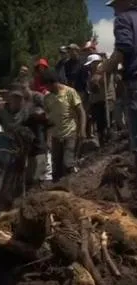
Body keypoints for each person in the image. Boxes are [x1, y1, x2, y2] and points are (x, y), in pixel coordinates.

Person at [92, 0, 137, 165]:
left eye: (115, 6)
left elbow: (124, 48)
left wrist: (101, 70)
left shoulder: (124, 19)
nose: (114, 11)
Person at [41, 70, 87, 182]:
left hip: (70, 133)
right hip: (56, 136)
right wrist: (48, 139)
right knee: (56, 168)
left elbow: (81, 112)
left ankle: (73, 186)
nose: (46, 89)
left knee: (68, 163)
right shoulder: (47, 98)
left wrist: (82, 130)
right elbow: (48, 121)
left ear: (53, 83)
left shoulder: (70, 92)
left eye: (47, 85)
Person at [85, 53, 116, 146]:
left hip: (107, 100)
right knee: (99, 124)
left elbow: (103, 82)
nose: (90, 66)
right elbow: (92, 89)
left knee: (108, 122)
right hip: (96, 102)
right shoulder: (90, 75)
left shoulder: (105, 72)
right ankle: (102, 142)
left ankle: (110, 142)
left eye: (92, 64)